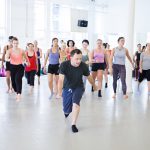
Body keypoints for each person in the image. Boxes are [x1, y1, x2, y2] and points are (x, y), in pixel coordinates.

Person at [58, 49, 97, 133]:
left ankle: (73, 124)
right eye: (76, 59)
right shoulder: (64, 65)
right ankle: (66, 111)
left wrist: (94, 85)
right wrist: (59, 92)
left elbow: (89, 77)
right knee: (66, 110)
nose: (79, 61)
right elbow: (60, 80)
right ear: (71, 57)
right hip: (67, 87)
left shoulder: (83, 66)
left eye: (80, 58)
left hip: (78, 87)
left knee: (76, 104)